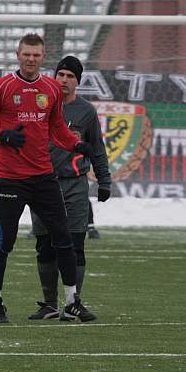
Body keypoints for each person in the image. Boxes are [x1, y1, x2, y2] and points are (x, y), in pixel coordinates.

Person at [0, 33, 96, 323]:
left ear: (43, 57)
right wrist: (3, 135)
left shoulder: (51, 89)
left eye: (36, 55)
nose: (31, 59)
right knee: (5, 241)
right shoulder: (0, 87)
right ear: (18, 54)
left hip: (44, 177)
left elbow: (57, 129)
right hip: (12, 179)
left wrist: (76, 144)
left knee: (63, 239)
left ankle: (71, 302)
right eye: (26, 54)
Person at [27, 55, 112, 321]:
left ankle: (73, 303)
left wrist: (104, 179)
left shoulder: (86, 111)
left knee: (75, 245)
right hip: (42, 184)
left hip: (75, 185)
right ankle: (50, 304)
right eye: (61, 74)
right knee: (45, 245)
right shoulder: (38, 104)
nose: (64, 80)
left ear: (78, 81)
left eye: (70, 76)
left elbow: (97, 148)